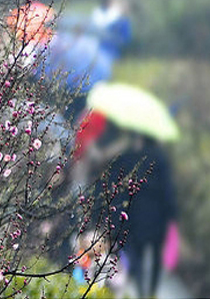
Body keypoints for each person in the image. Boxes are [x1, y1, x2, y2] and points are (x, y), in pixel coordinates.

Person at [73, 111, 178, 298]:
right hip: (157, 219)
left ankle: (135, 283)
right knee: (153, 256)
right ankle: (149, 290)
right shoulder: (161, 160)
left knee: (133, 251)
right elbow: (168, 191)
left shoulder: (131, 156)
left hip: (136, 215)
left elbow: (119, 183)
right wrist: (171, 216)